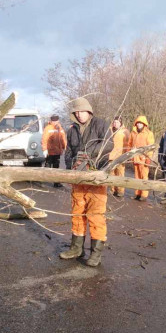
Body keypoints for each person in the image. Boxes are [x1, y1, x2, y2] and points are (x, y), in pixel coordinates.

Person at [59, 97, 112, 267]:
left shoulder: (101, 124)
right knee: (77, 213)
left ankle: (95, 253)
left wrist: (88, 154)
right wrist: (70, 170)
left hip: (97, 176)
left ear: (89, 111)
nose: (80, 115)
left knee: (95, 215)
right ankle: (76, 248)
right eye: (77, 112)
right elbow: (68, 152)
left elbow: (109, 144)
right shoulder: (72, 130)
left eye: (82, 111)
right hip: (78, 178)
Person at [129, 115, 155, 201]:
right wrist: (129, 155)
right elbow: (130, 144)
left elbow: (151, 147)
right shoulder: (133, 133)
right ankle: (137, 194)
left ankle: (144, 195)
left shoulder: (149, 133)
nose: (139, 125)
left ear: (144, 124)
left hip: (144, 159)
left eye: (141, 123)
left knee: (144, 177)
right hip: (135, 158)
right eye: (138, 123)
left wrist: (148, 158)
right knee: (137, 177)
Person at [42, 114, 67, 187]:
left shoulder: (60, 128)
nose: (55, 122)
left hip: (57, 151)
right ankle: (44, 181)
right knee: (48, 167)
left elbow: (63, 139)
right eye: (54, 121)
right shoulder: (48, 128)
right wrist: (44, 149)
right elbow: (44, 139)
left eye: (56, 121)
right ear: (51, 121)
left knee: (56, 167)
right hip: (50, 151)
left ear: (58, 121)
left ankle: (56, 182)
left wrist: (65, 147)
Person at [108, 116, 131, 198]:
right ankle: (112, 189)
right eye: (114, 122)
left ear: (120, 123)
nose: (115, 123)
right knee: (111, 174)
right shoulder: (109, 131)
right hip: (110, 156)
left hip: (120, 156)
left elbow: (128, 144)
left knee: (120, 174)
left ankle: (120, 191)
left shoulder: (125, 131)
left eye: (117, 122)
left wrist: (127, 155)